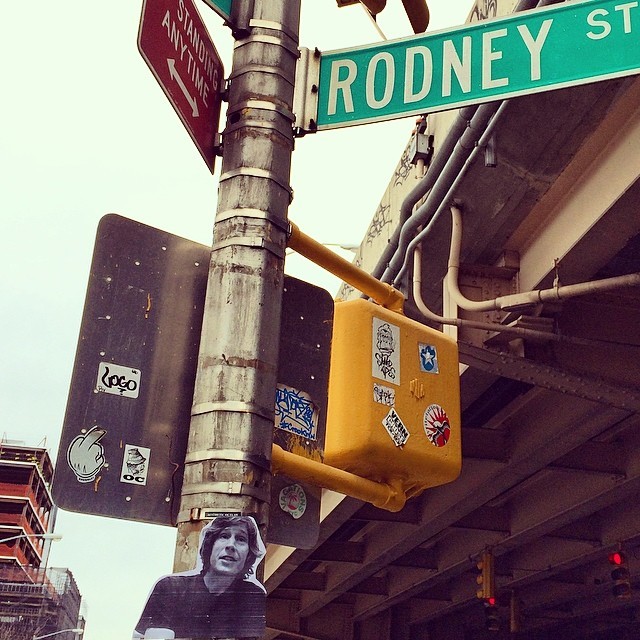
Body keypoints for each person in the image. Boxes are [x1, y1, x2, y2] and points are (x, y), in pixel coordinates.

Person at [134, 515, 266, 639]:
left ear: (249, 554)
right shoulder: (171, 587)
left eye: (241, 539)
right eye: (224, 536)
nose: (230, 545)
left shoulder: (252, 595)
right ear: (210, 545)